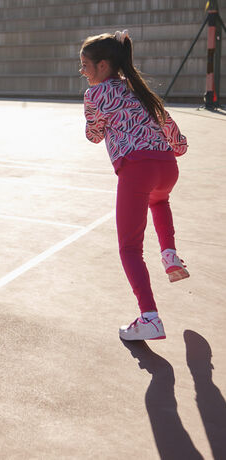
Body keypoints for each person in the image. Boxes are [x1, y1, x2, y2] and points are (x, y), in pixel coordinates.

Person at [80, 30, 189, 341]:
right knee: (159, 201)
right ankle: (169, 254)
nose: (83, 70)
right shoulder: (139, 90)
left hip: (136, 169)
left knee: (129, 248)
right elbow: (169, 126)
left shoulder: (96, 94)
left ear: (103, 65)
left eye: (85, 64)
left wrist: (95, 119)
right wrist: (178, 147)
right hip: (167, 167)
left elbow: (94, 135)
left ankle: (150, 317)